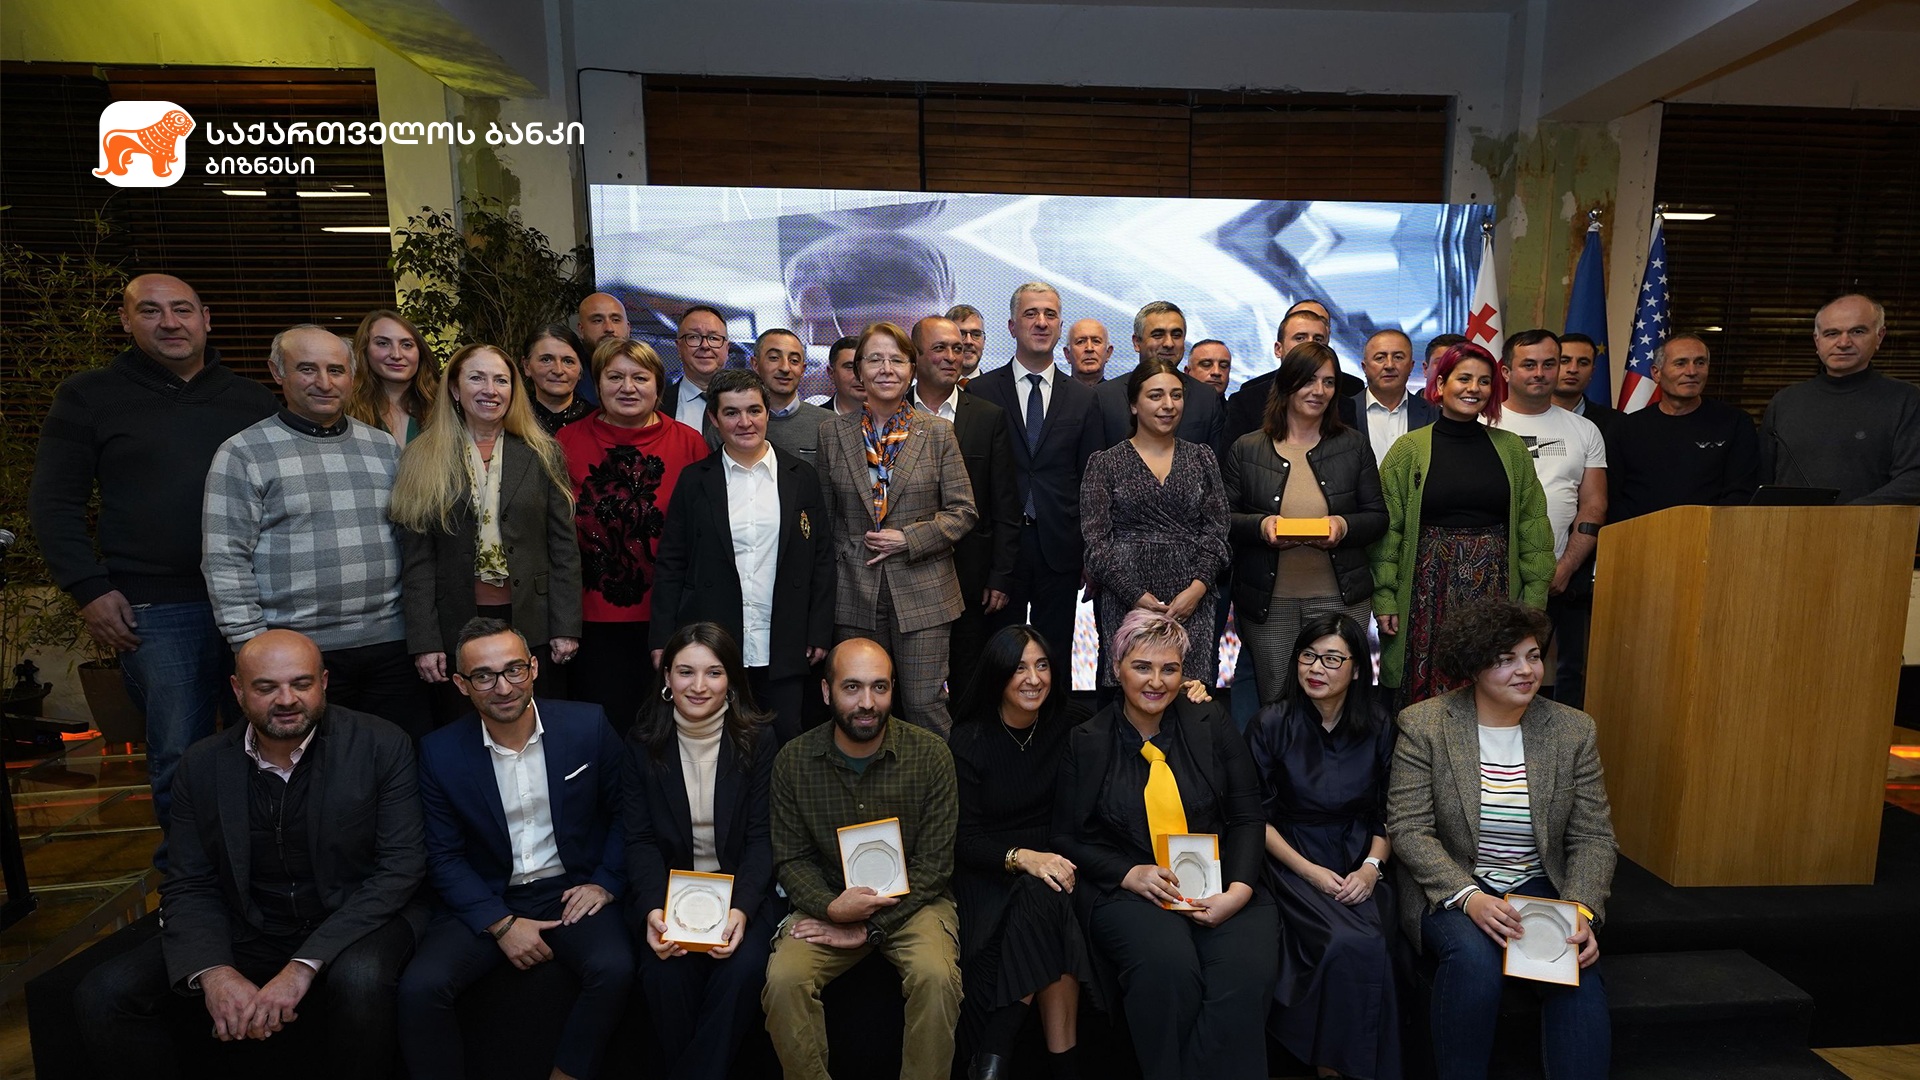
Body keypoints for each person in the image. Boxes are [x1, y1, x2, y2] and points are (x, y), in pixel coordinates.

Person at [73, 629, 424, 1079]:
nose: (287, 699)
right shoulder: (201, 764)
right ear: (238, 690)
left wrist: (302, 967)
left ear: (323, 683)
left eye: (301, 683)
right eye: (266, 687)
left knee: (360, 979)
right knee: (104, 993)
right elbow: (189, 880)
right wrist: (215, 972)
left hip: (352, 919)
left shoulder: (380, 744)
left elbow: (400, 868)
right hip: (250, 925)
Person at [29, 273, 278, 859]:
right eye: (150, 311)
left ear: (206, 319)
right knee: (179, 754)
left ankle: (266, 868)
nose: (169, 322)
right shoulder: (89, 396)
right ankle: (191, 879)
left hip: (256, 600)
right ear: (125, 321)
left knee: (271, 742)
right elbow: (54, 501)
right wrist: (88, 588)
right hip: (160, 608)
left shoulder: (254, 401)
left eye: (182, 309)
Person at [1386, 597, 1615, 1080]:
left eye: (1532, 656)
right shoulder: (1425, 724)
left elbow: (1593, 836)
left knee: (1574, 972)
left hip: (1537, 882)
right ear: (1474, 667)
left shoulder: (1573, 730)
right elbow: (1408, 827)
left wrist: (1583, 909)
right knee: (1474, 961)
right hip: (1455, 881)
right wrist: (1467, 897)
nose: (1526, 670)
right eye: (1506, 659)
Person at [399, 618, 632, 1080]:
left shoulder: (587, 725)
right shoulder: (439, 752)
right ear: (461, 685)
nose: (503, 687)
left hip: (570, 888)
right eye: (484, 676)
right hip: (489, 895)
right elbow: (442, 856)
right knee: (420, 989)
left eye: (514, 670)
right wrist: (501, 923)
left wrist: (606, 882)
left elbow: (630, 812)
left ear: (534, 669)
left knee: (615, 967)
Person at [1051, 610, 1277, 1080]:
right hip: (1131, 890)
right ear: (1116, 668)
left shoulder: (1210, 720)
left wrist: (1238, 892)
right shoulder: (1085, 741)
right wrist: (1128, 874)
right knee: (1168, 970)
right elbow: (1066, 838)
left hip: (1223, 882)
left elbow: (1247, 815)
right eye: (1142, 667)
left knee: (1242, 975)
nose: (1156, 681)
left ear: (1183, 673)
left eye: (1169, 669)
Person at [202, 325, 427, 738]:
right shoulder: (243, 453)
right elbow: (224, 558)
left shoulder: (383, 448)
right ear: (278, 372)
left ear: (352, 376)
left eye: (336, 370)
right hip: (293, 654)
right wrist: (252, 646)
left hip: (390, 646)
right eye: (307, 369)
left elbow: (410, 544)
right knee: (309, 764)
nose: (324, 382)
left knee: (394, 755)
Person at [762, 638, 962, 1080]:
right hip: (830, 899)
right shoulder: (794, 761)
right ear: (826, 691)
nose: (867, 703)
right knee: (784, 981)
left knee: (935, 977)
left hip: (914, 902)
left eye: (879, 687)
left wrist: (868, 927)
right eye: (852, 687)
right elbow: (792, 859)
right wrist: (832, 908)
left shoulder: (931, 755)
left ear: (893, 689)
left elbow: (934, 865)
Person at [1248, 614, 1401, 1080]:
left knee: (1375, 944)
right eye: (1308, 656)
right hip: (1289, 856)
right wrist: (1309, 871)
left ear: (1356, 669)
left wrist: (1371, 868)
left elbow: (1390, 811)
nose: (1316, 668)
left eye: (1332, 659)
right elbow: (1254, 818)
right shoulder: (1271, 723)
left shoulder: (1378, 723)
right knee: (1342, 942)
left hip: (1361, 854)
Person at [626, 623, 783, 1080]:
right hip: (669, 896)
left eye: (713, 672)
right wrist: (654, 911)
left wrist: (742, 911)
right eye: (685, 672)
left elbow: (762, 838)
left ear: (731, 680)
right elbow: (638, 840)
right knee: (663, 974)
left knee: (744, 969)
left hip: (740, 893)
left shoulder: (759, 739)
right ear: (666, 678)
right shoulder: (641, 744)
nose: (698, 686)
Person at [390, 343, 581, 709]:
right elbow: (417, 559)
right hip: (455, 619)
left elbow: (564, 549)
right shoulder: (422, 456)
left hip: (533, 617)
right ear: (455, 389)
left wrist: (566, 626)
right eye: (476, 378)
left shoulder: (542, 452)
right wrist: (425, 640)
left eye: (501, 380)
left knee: (535, 717)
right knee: (465, 722)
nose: (490, 390)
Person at [651, 369, 834, 742]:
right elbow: (671, 564)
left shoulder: (801, 476)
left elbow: (821, 558)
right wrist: (662, 639)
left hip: (785, 637)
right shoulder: (694, 480)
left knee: (785, 736)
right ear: (714, 419)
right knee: (720, 740)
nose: (745, 422)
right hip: (713, 637)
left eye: (754, 410)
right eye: (731, 412)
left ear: (767, 413)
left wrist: (819, 629)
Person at [817, 322, 977, 736]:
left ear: (911, 369)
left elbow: (963, 511)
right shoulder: (832, 432)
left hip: (924, 592)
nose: (886, 369)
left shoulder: (938, 432)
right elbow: (825, 521)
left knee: (925, 706)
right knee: (859, 707)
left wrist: (909, 539)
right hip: (854, 592)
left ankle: (937, 781)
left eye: (896, 360)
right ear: (859, 370)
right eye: (874, 359)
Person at [949, 626, 1095, 1080]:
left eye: (1042, 665)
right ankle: (1062, 1067)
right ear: (997, 676)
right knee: (1048, 900)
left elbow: (1134, 716)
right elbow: (964, 840)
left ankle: (991, 1060)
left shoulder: (1071, 723)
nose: (1034, 678)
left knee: (1048, 895)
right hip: (989, 871)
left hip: (1058, 863)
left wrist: (1189, 695)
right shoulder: (970, 739)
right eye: (1019, 668)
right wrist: (1022, 857)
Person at [1370, 342, 1553, 704]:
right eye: (1464, 378)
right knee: (1425, 696)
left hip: (1495, 594)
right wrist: (1385, 598)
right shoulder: (1408, 450)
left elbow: (1534, 528)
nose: (1474, 388)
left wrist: (1532, 604)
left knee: (1494, 683)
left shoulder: (1512, 449)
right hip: (1425, 595)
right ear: (1440, 384)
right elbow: (1388, 533)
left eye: (1484, 381)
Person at [553, 338, 710, 733]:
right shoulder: (567, 441)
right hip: (590, 623)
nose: (628, 387)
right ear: (597, 384)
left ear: (658, 387)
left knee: (665, 730)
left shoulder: (690, 443)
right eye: (615, 377)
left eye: (640, 378)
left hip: (668, 619)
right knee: (601, 728)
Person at [1222, 342, 1385, 705]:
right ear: (1287, 383)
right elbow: (1224, 520)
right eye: (1309, 380)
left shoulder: (1354, 445)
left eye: (1328, 382)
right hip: (1270, 604)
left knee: (1335, 705)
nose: (1319, 391)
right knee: (1278, 704)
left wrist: (1343, 527)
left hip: (1340, 600)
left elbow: (1377, 517)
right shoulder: (1247, 448)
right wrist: (1261, 526)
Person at [967, 282, 1104, 660]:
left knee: (1054, 657)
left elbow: (1092, 483)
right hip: (998, 552)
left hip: (1061, 548)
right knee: (998, 657)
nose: (1041, 322)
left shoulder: (1083, 398)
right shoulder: (980, 392)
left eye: (1050, 315)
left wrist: (1090, 554)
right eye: (1031, 314)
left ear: (1059, 327)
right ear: (1012, 326)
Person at [1082, 359, 1230, 690]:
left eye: (1176, 395)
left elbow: (1218, 532)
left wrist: (1197, 589)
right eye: (1156, 395)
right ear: (1134, 405)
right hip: (1126, 598)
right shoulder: (1105, 464)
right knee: (1132, 694)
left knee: (1190, 696)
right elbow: (1096, 546)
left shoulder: (1202, 458)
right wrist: (1134, 595)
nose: (1168, 405)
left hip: (1191, 601)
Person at [1491, 329, 1606, 710]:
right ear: (1506, 371)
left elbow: (1593, 506)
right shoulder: (1484, 422)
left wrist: (1566, 566)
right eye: (1529, 364)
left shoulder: (1585, 430)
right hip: (1488, 576)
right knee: (1487, 670)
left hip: (1558, 578)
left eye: (1549, 364)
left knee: (1540, 677)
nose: (1540, 373)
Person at [911, 316, 1022, 698]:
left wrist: (1000, 576)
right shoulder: (894, 412)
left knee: (970, 685)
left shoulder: (988, 416)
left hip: (971, 581)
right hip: (907, 575)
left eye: (957, 349)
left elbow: (1005, 502)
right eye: (940, 348)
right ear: (915, 355)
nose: (951, 357)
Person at [1760, 293, 1920, 504]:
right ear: (1817, 341)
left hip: (1872, 523)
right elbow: (1762, 478)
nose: (1843, 343)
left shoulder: (1906, 400)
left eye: (1857, 331)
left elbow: (1913, 479)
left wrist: (1843, 516)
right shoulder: (1785, 401)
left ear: (1879, 336)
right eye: (1832, 333)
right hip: (1789, 523)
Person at [1605, 332, 1760, 521]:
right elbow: (1612, 496)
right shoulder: (1625, 428)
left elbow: (1741, 492)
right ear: (1656, 373)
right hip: (1637, 534)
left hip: (1709, 533)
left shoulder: (1735, 423)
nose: (1692, 371)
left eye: (1700, 363)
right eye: (1680, 363)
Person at [1093, 302, 1226, 455]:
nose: (1169, 343)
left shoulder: (1206, 397)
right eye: (1158, 335)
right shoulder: (1103, 396)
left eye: (1176, 335)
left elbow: (1214, 463)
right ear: (1136, 342)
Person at [1225, 307, 1333, 447]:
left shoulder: (1343, 405)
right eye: (1300, 338)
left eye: (1318, 339)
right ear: (1278, 349)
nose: (1310, 344)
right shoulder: (1246, 402)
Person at [346, 308, 437, 448]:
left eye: (407, 345)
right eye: (383, 343)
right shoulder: (345, 409)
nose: (396, 355)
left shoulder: (442, 404)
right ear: (364, 350)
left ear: (420, 352)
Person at [1352, 328, 1437, 469]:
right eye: (1380, 358)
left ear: (1411, 366)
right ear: (1364, 367)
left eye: (1398, 357)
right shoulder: (1342, 412)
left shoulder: (1433, 414)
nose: (1389, 365)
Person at [753, 326, 835, 467]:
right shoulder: (738, 424)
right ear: (755, 364)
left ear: (803, 370)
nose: (785, 368)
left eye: (794, 360)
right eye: (774, 358)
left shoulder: (829, 423)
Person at [667, 305, 732, 428]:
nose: (705, 346)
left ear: (727, 349)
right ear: (679, 347)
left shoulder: (751, 403)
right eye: (694, 337)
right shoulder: (656, 404)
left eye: (713, 338)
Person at [522, 324, 592, 435]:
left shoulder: (598, 421)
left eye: (568, 361)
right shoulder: (512, 419)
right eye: (546, 360)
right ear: (527, 366)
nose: (558, 370)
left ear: (580, 369)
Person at [1552, 333, 1620, 436]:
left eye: (1583, 363)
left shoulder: (1616, 423)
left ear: (1592, 372)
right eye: (1564, 361)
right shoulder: (1528, 416)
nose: (1573, 369)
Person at [1066, 317, 1113, 387]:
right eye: (1080, 342)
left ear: (1108, 353)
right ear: (1067, 354)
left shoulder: (1122, 393)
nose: (1089, 348)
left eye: (1096, 341)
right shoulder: (1053, 393)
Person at [826, 334, 866, 417]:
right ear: (831, 373)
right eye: (850, 367)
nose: (860, 376)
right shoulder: (813, 421)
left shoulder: (893, 419)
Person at [949, 302, 988, 381]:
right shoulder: (929, 387)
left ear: (984, 341)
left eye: (976, 335)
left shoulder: (996, 387)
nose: (968, 341)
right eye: (961, 334)